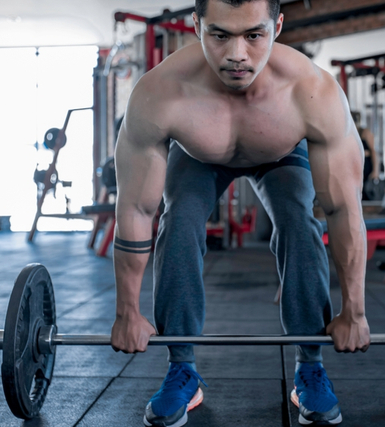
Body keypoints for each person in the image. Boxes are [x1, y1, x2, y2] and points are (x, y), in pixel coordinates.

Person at [110, 0, 370, 425]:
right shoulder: (160, 92)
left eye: (253, 35)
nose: (237, 54)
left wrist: (354, 313)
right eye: (220, 35)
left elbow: (343, 210)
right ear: (196, 25)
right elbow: (137, 208)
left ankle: (309, 366)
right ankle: (182, 369)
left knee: (299, 223)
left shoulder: (313, 92)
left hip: (281, 152)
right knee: (177, 222)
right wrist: (127, 313)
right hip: (199, 152)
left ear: (278, 25)